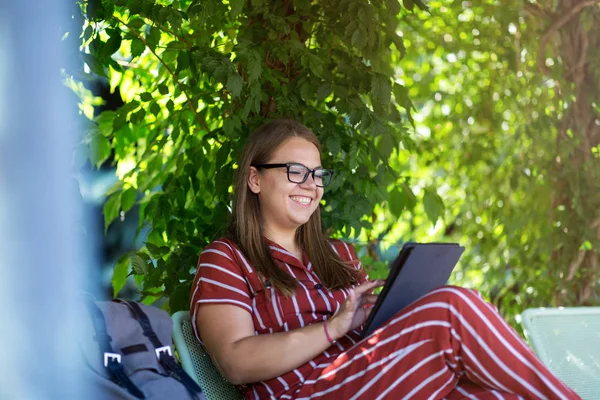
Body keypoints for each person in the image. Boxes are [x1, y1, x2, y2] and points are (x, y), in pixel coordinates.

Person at [190, 119, 580, 399]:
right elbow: (235, 362)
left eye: (318, 173)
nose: (311, 185)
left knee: (488, 390)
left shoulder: (337, 255)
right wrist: (333, 328)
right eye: (295, 172)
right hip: (304, 391)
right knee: (455, 307)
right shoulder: (225, 259)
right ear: (255, 180)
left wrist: (404, 311)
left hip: (370, 377)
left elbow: (377, 338)